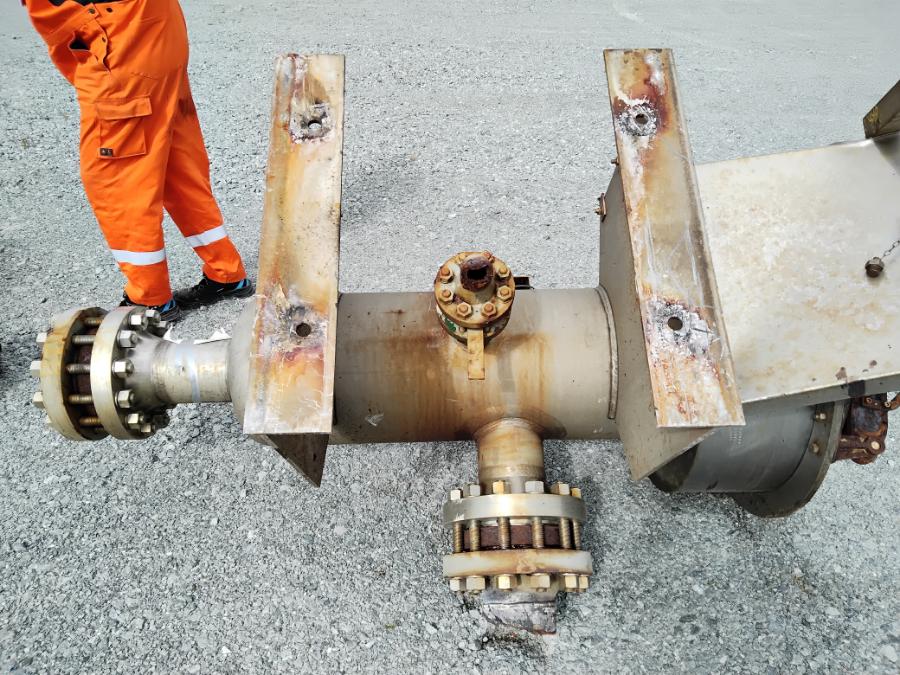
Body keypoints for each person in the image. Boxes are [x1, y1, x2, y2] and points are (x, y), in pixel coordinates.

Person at [23, 0, 253, 321]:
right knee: (176, 165)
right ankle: (226, 272)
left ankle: (150, 299)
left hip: (119, 42)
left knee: (118, 184)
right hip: (155, 30)